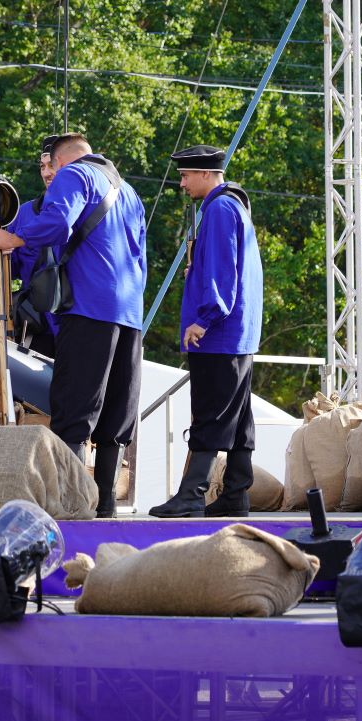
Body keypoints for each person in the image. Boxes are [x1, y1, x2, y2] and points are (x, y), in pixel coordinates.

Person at [0, 134, 147, 517]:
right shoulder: (129, 192)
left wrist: (15, 237)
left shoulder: (75, 175)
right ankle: (105, 503)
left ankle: (73, 503)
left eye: (50, 167)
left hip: (88, 307)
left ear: (61, 162)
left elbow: (58, 223)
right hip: (129, 312)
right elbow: (141, 253)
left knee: (76, 411)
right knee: (117, 412)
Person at [150, 145, 264, 518]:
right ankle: (235, 493)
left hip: (219, 334)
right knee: (238, 416)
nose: (182, 183)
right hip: (239, 334)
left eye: (185, 176)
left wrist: (204, 317)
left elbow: (221, 272)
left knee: (210, 414)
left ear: (204, 174)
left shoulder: (217, 209)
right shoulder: (236, 206)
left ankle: (192, 493)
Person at [9, 135, 66, 358]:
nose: (46, 173)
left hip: (75, 320)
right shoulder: (23, 213)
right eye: (42, 166)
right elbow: (6, 269)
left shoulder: (85, 212)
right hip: (36, 323)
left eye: (51, 165)